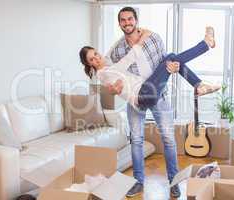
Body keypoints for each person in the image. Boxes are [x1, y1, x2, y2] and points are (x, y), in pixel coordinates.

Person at [87, 7, 218, 198]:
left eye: (130, 19)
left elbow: (165, 64)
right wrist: (113, 87)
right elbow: (110, 69)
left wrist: (172, 68)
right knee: (136, 141)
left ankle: (173, 182)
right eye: (123, 20)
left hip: (157, 92)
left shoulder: (154, 38)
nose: (127, 23)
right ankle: (138, 182)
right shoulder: (116, 49)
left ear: (136, 20)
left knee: (169, 140)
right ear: (119, 24)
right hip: (137, 100)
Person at [79, 27, 218, 110]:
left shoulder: (106, 62)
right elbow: (129, 58)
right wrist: (144, 36)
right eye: (92, 59)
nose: (96, 58)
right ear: (89, 64)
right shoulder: (103, 74)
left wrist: (131, 31)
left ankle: (198, 84)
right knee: (171, 59)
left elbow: (111, 48)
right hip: (143, 94)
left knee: (171, 57)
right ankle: (205, 44)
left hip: (145, 91)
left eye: (95, 54)